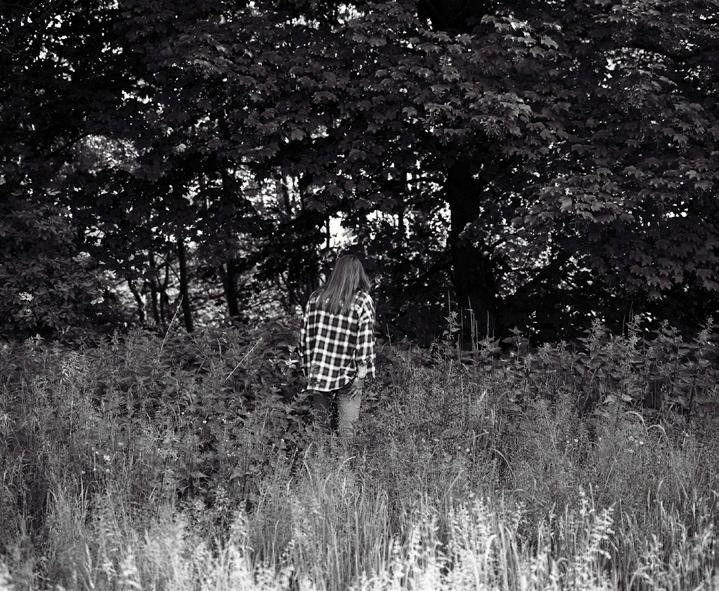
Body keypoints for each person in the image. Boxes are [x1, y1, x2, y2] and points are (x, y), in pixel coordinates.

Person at [300, 254, 376, 438]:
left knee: (319, 430)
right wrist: (361, 375)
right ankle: (343, 457)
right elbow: (365, 341)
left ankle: (319, 456)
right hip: (348, 373)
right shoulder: (362, 300)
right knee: (347, 432)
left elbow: (305, 337)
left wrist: (308, 368)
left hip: (319, 370)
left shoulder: (316, 298)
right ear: (358, 274)